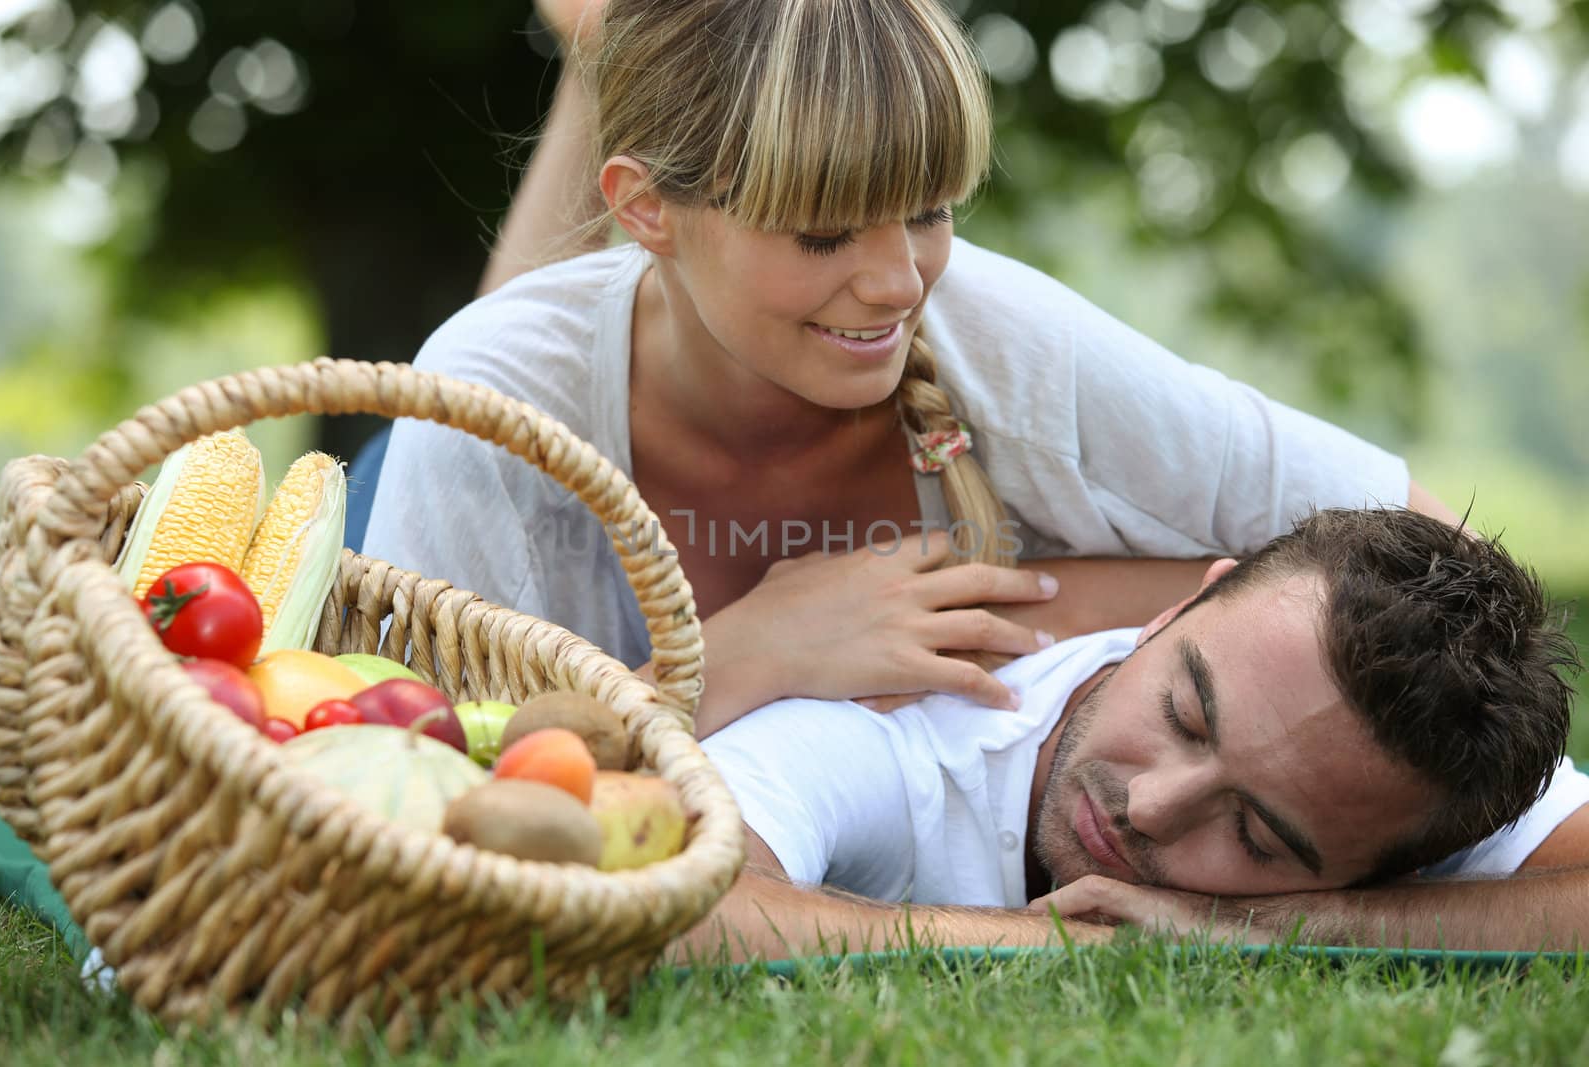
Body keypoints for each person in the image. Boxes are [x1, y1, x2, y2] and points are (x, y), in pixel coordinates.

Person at [363, 0, 1460, 738]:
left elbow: (1437, 564)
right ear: (644, 208)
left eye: (930, 210)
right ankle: (596, 46)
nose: (899, 283)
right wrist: (751, 652)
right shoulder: (491, 394)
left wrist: (1034, 606)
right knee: (480, 371)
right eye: (826, 234)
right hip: (401, 472)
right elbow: (423, 762)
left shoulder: (1013, 348)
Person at [668, 509, 1588, 962]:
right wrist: (1038, 939)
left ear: (1392, 865)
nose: (1150, 806)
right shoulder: (901, 729)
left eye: (1257, 837)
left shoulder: (1424, 766)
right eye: (1185, 716)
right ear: (1177, 608)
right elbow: (661, 900)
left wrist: (1294, 926)